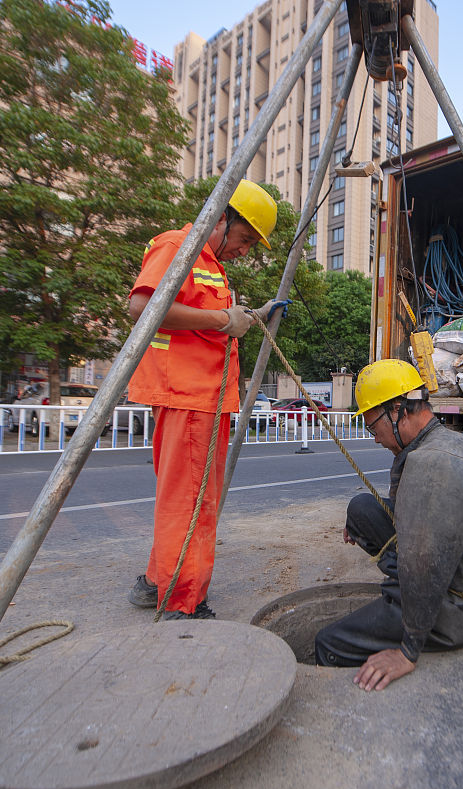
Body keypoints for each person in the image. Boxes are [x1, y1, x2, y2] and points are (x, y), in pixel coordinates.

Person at [125, 179, 282, 620]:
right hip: (189, 399)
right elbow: (143, 306)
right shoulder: (181, 246)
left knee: (180, 499)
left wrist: (249, 317)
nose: (245, 251)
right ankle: (183, 602)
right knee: (193, 505)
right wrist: (221, 319)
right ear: (220, 219)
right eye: (245, 238)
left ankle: (158, 581)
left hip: (198, 400)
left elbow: (203, 322)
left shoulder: (208, 263)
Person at [314, 359, 463, 690]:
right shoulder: (444, 442)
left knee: (328, 641)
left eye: (373, 427)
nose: (375, 439)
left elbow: (426, 566)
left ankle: (400, 605)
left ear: (399, 409)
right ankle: (400, 590)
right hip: (459, 574)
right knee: (362, 508)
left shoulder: (434, 465)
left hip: (459, 609)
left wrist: (407, 650)